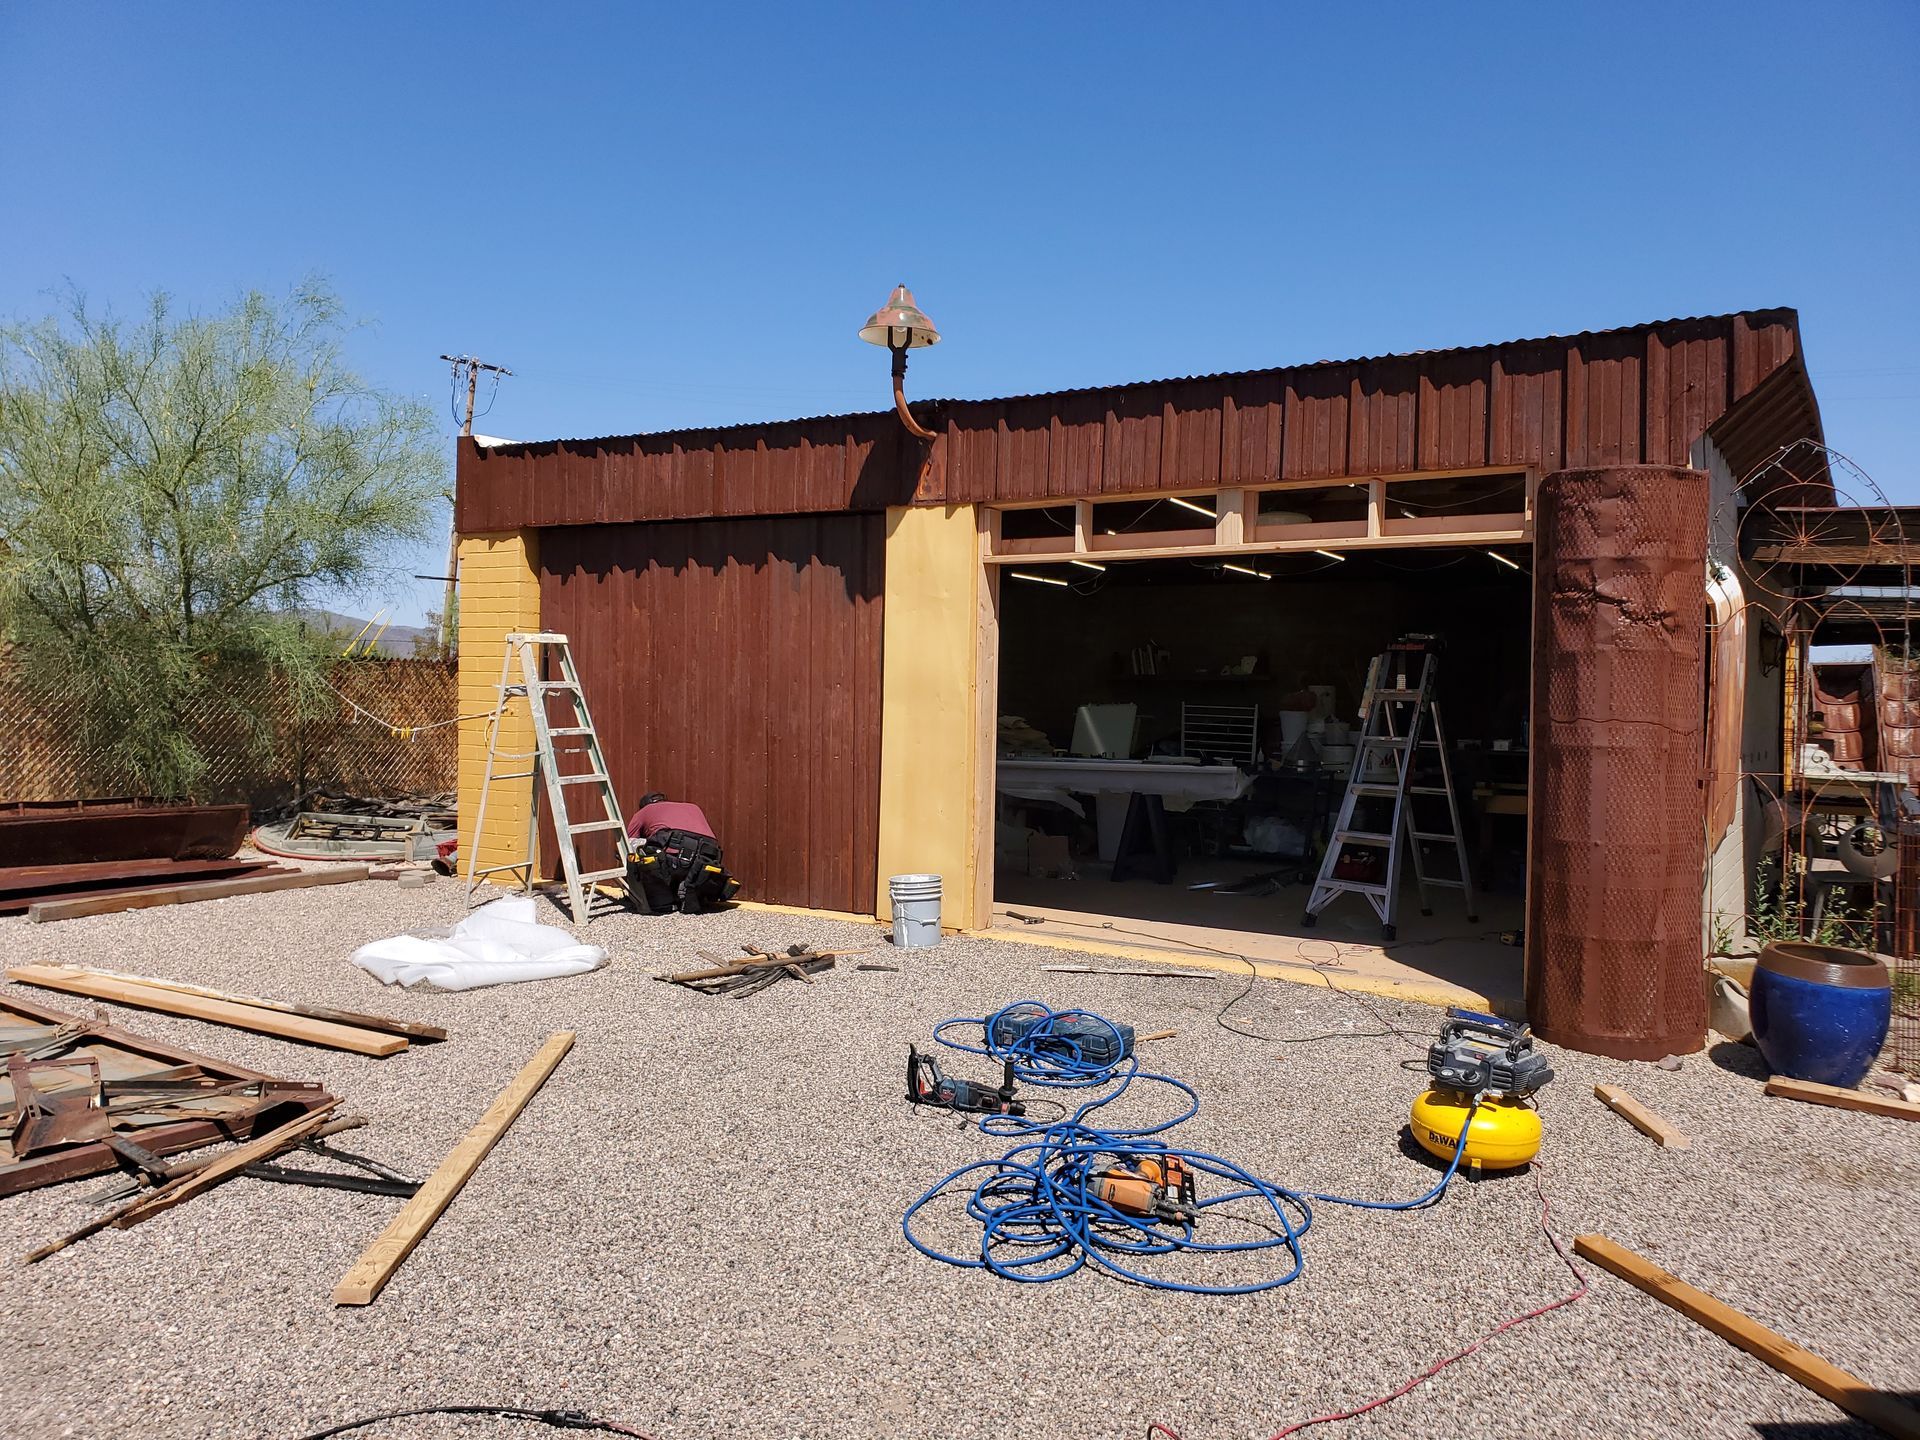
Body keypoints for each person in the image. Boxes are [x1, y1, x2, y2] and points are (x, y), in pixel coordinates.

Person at [624, 792, 738, 914]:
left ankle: (662, 901)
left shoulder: (644, 811)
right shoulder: (693, 807)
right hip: (707, 858)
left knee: (640, 853)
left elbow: (627, 843)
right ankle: (690, 888)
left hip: (677, 855)